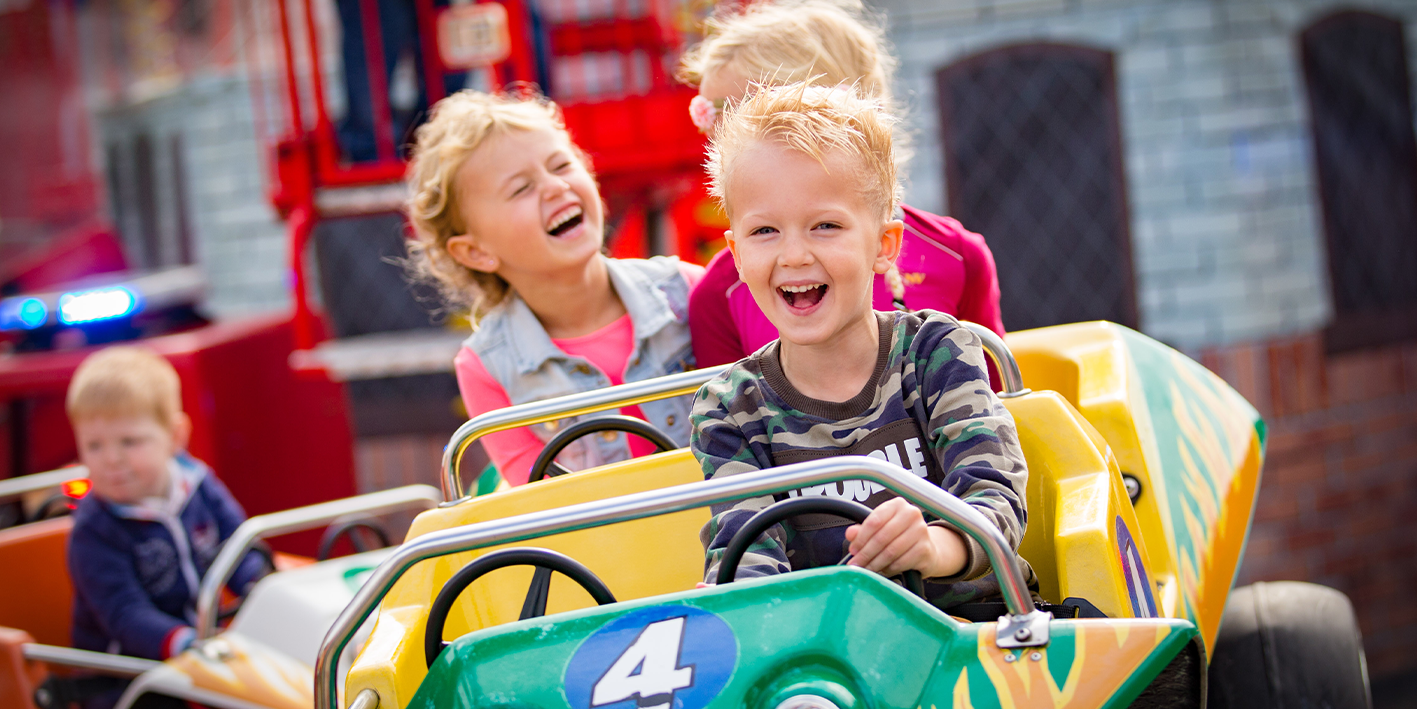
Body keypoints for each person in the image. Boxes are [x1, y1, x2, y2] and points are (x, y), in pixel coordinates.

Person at [691, 83, 1032, 610]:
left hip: (975, 625)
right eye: (765, 231)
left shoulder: (935, 353)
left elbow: (993, 494)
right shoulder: (730, 407)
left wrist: (931, 547)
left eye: (825, 226)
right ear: (735, 253)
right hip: (833, 657)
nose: (795, 254)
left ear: (883, 246)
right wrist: (739, 595)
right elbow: (745, 549)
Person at [677, 0, 1005, 368]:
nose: (717, 146)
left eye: (733, 117)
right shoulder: (721, 294)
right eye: (709, 123)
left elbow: (995, 395)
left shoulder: (957, 254)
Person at [405, 90, 704, 487]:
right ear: (477, 251)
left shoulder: (684, 289)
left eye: (561, 165)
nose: (554, 187)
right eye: (520, 189)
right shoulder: (488, 366)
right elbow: (537, 502)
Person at [65, 347, 266, 701]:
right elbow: (125, 614)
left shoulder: (198, 485)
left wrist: (262, 588)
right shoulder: (94, 530)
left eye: (130, 442)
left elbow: (239, 549)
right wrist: (187, 642)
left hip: (203, 651)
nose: (112, 459)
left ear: (175, 436)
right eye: (93, 446)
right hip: (128, 677)